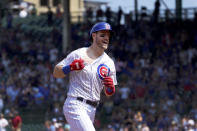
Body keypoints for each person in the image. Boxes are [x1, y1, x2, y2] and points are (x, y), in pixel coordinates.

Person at [53, 22, 117, 131]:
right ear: (94, 36)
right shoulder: (79, 54)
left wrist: (110, 88)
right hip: (75, 104)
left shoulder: (109, 63)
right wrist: (69, 67)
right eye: (103, 35)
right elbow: (56, 72)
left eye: (108, 36)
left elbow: (108, 93)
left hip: (92, 109)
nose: (106, 38)